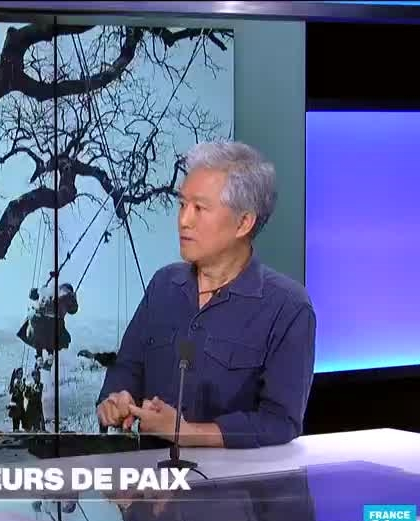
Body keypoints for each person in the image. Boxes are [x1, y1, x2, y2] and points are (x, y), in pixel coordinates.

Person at [96, 141, 316, 449]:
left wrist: (188, 432)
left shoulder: (288, 308)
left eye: (199, 208)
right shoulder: (163, 285)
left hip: (232, 479)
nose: (183, 220)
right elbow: (127, 369)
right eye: (181, 205)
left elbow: (280, 422)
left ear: (243, 223)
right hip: (148, 475)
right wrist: (116, 399)